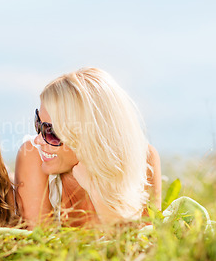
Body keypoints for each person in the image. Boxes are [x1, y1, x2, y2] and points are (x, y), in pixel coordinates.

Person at [15, 67, 162, 228]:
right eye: (38, 123)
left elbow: (143, 244)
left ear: (90, 135)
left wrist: (95, 191)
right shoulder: (33, 156)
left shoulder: (143, 159)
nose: (38, 140)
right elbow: (39, 244)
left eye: (51, 132)